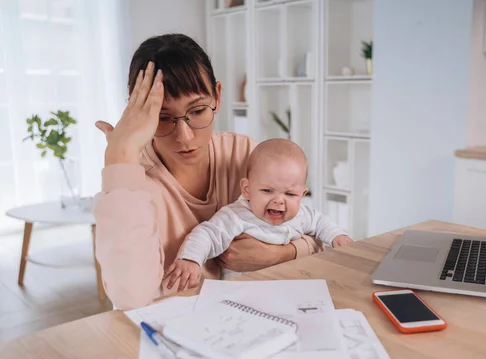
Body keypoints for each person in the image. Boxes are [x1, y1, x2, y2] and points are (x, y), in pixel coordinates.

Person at [93, 34, 322, 310]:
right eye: (163, 118)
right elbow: (130, 298)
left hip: (251, 314)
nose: (185, 136)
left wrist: (278, 254)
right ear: (138, 112)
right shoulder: (130, 180)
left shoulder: (245, 155)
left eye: (198, 111)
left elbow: (316, 234)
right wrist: (120, 157)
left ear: (218, 96)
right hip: (173, 326)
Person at [166, 139, 353, 285]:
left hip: (288, 287)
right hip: (241, 293)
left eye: (289, 193)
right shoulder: (236, 215)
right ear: (247, 189)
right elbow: (207, 233)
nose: (279, 200)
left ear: (301, 195)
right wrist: (191, 259)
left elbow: (321, 222)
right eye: (267, 191)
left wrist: (338, 235)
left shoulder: (302, 214)